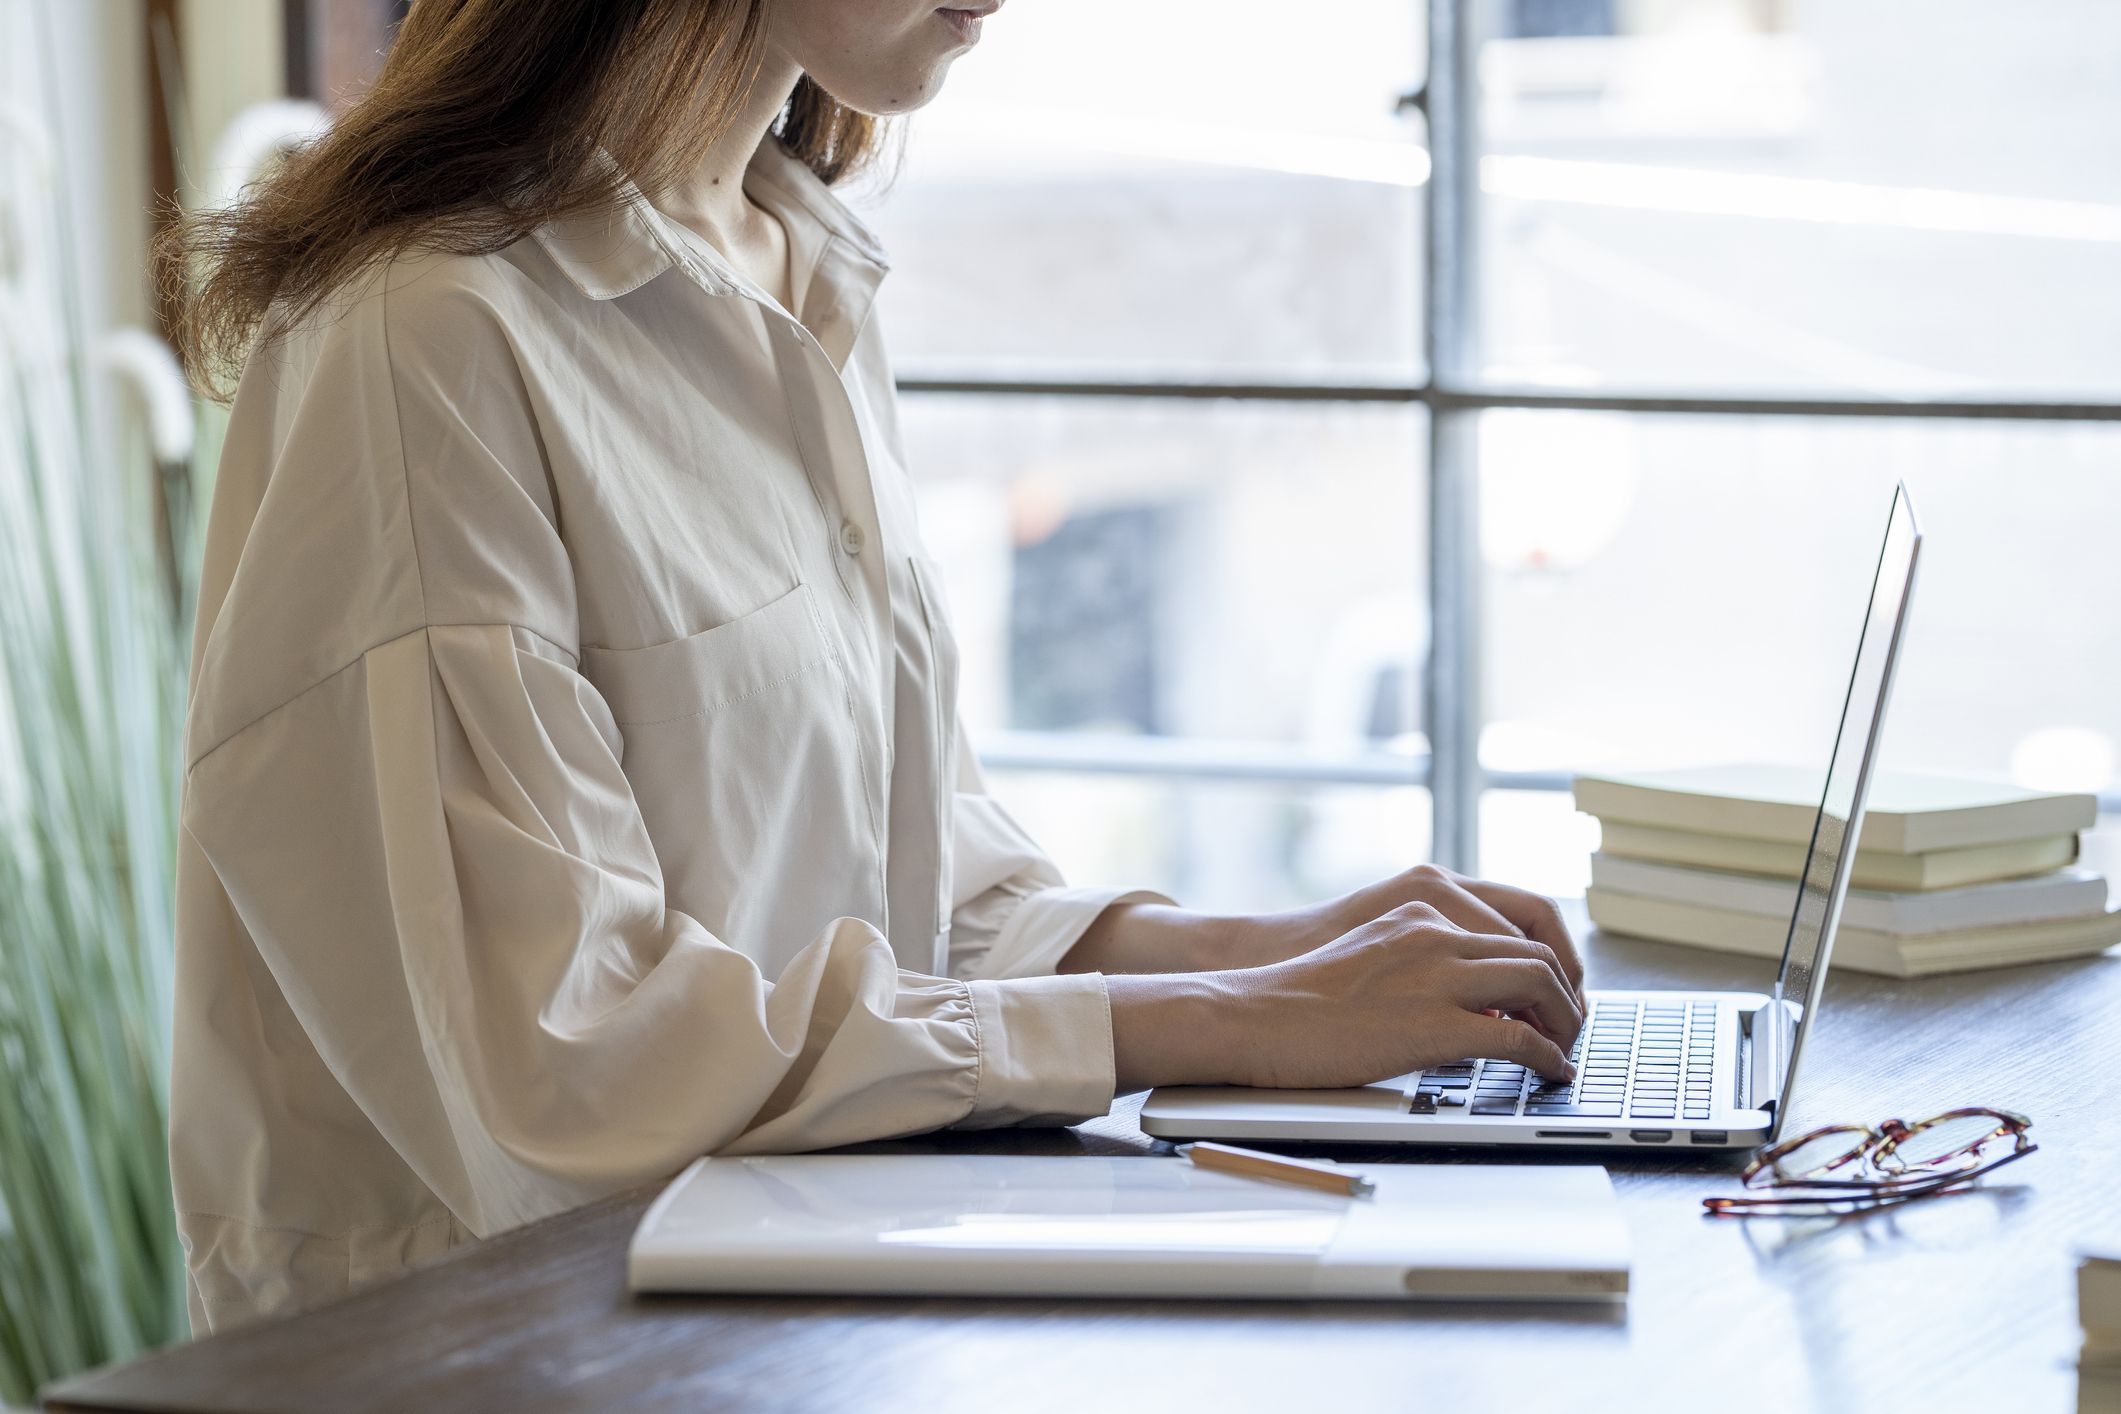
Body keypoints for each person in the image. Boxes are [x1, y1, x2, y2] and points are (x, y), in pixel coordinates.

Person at [160, 0, 1585, 1336]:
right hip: (495, 1349)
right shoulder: (428, 336)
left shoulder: (795, 263)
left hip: (787, 1313)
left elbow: (912, 887)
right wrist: (1234, 1021)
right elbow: (571, 1057)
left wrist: (1283, 951)